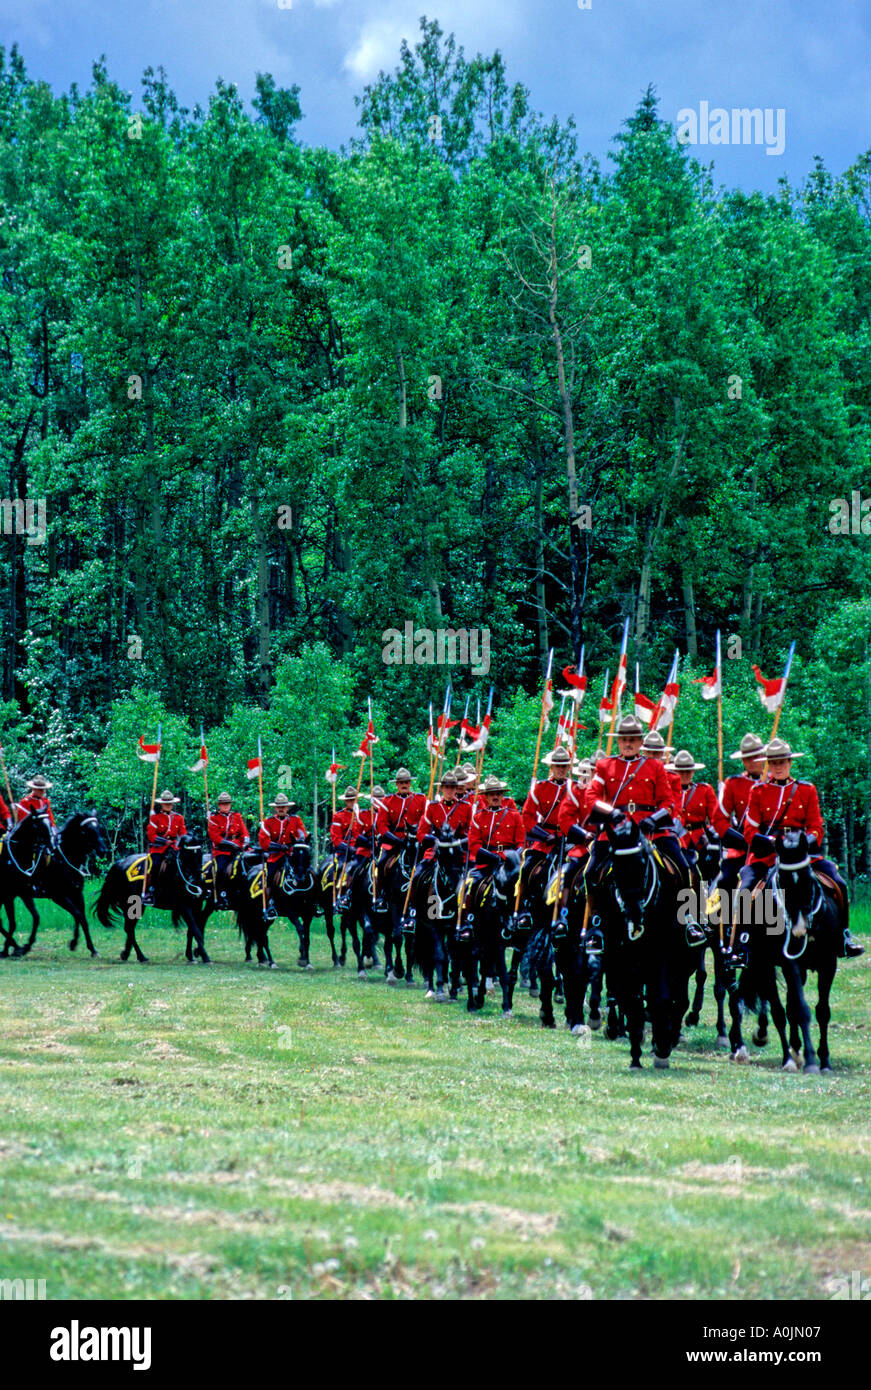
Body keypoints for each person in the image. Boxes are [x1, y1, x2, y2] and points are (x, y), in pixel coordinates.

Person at [582, 715, 704, 944]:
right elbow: (591, 796)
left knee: (682, 866)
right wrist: (609, 813)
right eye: (624, 739)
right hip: (614, 834)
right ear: (618, 741)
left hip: (650, 831)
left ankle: (687, 917)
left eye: (633, 739)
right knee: (590, 872)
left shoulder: (654, 766)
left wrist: (655, 819)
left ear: (640, 742)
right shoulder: (605, 765)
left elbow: (669, 802)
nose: (628, 743)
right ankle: (595, 924)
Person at [740, 738, 862, 959]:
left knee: (840, 883)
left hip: (802, 855)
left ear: (790, 763)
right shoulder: (758, 792)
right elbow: (750, 830)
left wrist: (804, 842)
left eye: (782, 762)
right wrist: (768, 842)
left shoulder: (806, 790)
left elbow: (816, 826)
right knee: (745, 890)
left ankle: (844, 936)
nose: (778, 767)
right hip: (769, 855)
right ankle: (744, 942)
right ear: (768, 764)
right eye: (773, 762)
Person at [373, 769, 425, 911]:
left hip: (414, 841)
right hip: (393, 842)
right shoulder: (387, 800)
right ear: (396, 784)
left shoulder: (420, 799)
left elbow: (424, 820)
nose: (404, 785)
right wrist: (397, 840)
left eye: (406, 782)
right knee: (382, 863)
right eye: (401, 782)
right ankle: (382, 896)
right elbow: (382, 826)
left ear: (410, 784)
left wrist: (418, 834)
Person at [144, 790, 187, 905]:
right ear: (161, 804)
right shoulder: (155, 818)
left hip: (173, 847)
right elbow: (151, 836)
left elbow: (182, 833)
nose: (168, 805)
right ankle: (150, 890)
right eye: (166, 803)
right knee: (155, 865)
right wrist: (164, 841)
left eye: (170, 803)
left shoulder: (179, 818)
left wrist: (184, 841)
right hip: (158, 848)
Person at [258, 793, 308, 890]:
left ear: (287, 808)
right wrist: (279, 847)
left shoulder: (296, 820)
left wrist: (298, 843)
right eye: (279, 807)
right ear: (276, 808)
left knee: (306, 871)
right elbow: (264, 842)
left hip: (292, 855)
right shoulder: (268, 822)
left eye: (283, 807)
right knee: (270, 877)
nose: (281, 809)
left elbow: (302, 836)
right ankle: (270, 900)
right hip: (276, 856)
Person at [207, 792, 250, 906]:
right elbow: (215, 837)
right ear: (219, 805)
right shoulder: (214, 818)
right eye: (223, 804)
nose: (225, 806)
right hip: (222, 850)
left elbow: (243, 831)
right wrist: (230, 844)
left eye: (227, 803)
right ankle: (221, 894)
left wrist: (246, 840)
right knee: (220, 869)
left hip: (238, 848)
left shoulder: (236, 816)